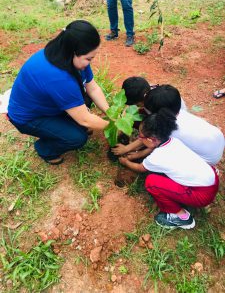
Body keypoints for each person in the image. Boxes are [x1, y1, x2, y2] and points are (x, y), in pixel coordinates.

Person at [8, 20, 109, 165]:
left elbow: (92, 88)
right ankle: (45, 149)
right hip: (29, 117)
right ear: (74, 52)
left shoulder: (66, 54)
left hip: (49, 103)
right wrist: (113, 126)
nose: (90, 62)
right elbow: (85, 119)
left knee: (85, 101)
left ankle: (62, 124)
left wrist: (110, 112)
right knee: (77, 138)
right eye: (89, 58)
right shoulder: (58, 77)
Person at [119, 108, 219, 229]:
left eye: (140, 137)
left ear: (151, 140)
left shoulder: (156, 157)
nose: (139, 139)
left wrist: (125, 162)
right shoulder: (174, 141)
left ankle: (181, 217)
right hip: (211, 177)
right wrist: (138, 154)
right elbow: (153, 149)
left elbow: (140, 168)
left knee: (152, 182)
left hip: (202, 194)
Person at [144, 85, 225, 166]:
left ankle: (209, 168)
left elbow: (155, 147)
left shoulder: (167, 130)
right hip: (218, 142)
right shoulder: (180, 112)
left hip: (208, 160)